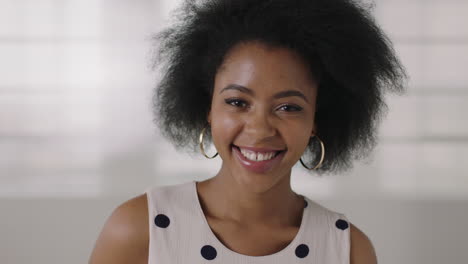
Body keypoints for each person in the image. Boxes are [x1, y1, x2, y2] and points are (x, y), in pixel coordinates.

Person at [89, 0, 406, 263]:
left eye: (289, 107)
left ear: (317, 120)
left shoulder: (349, 251)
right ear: (208, 109)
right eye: (238, 101)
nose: (259, 128)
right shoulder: (139, 230)